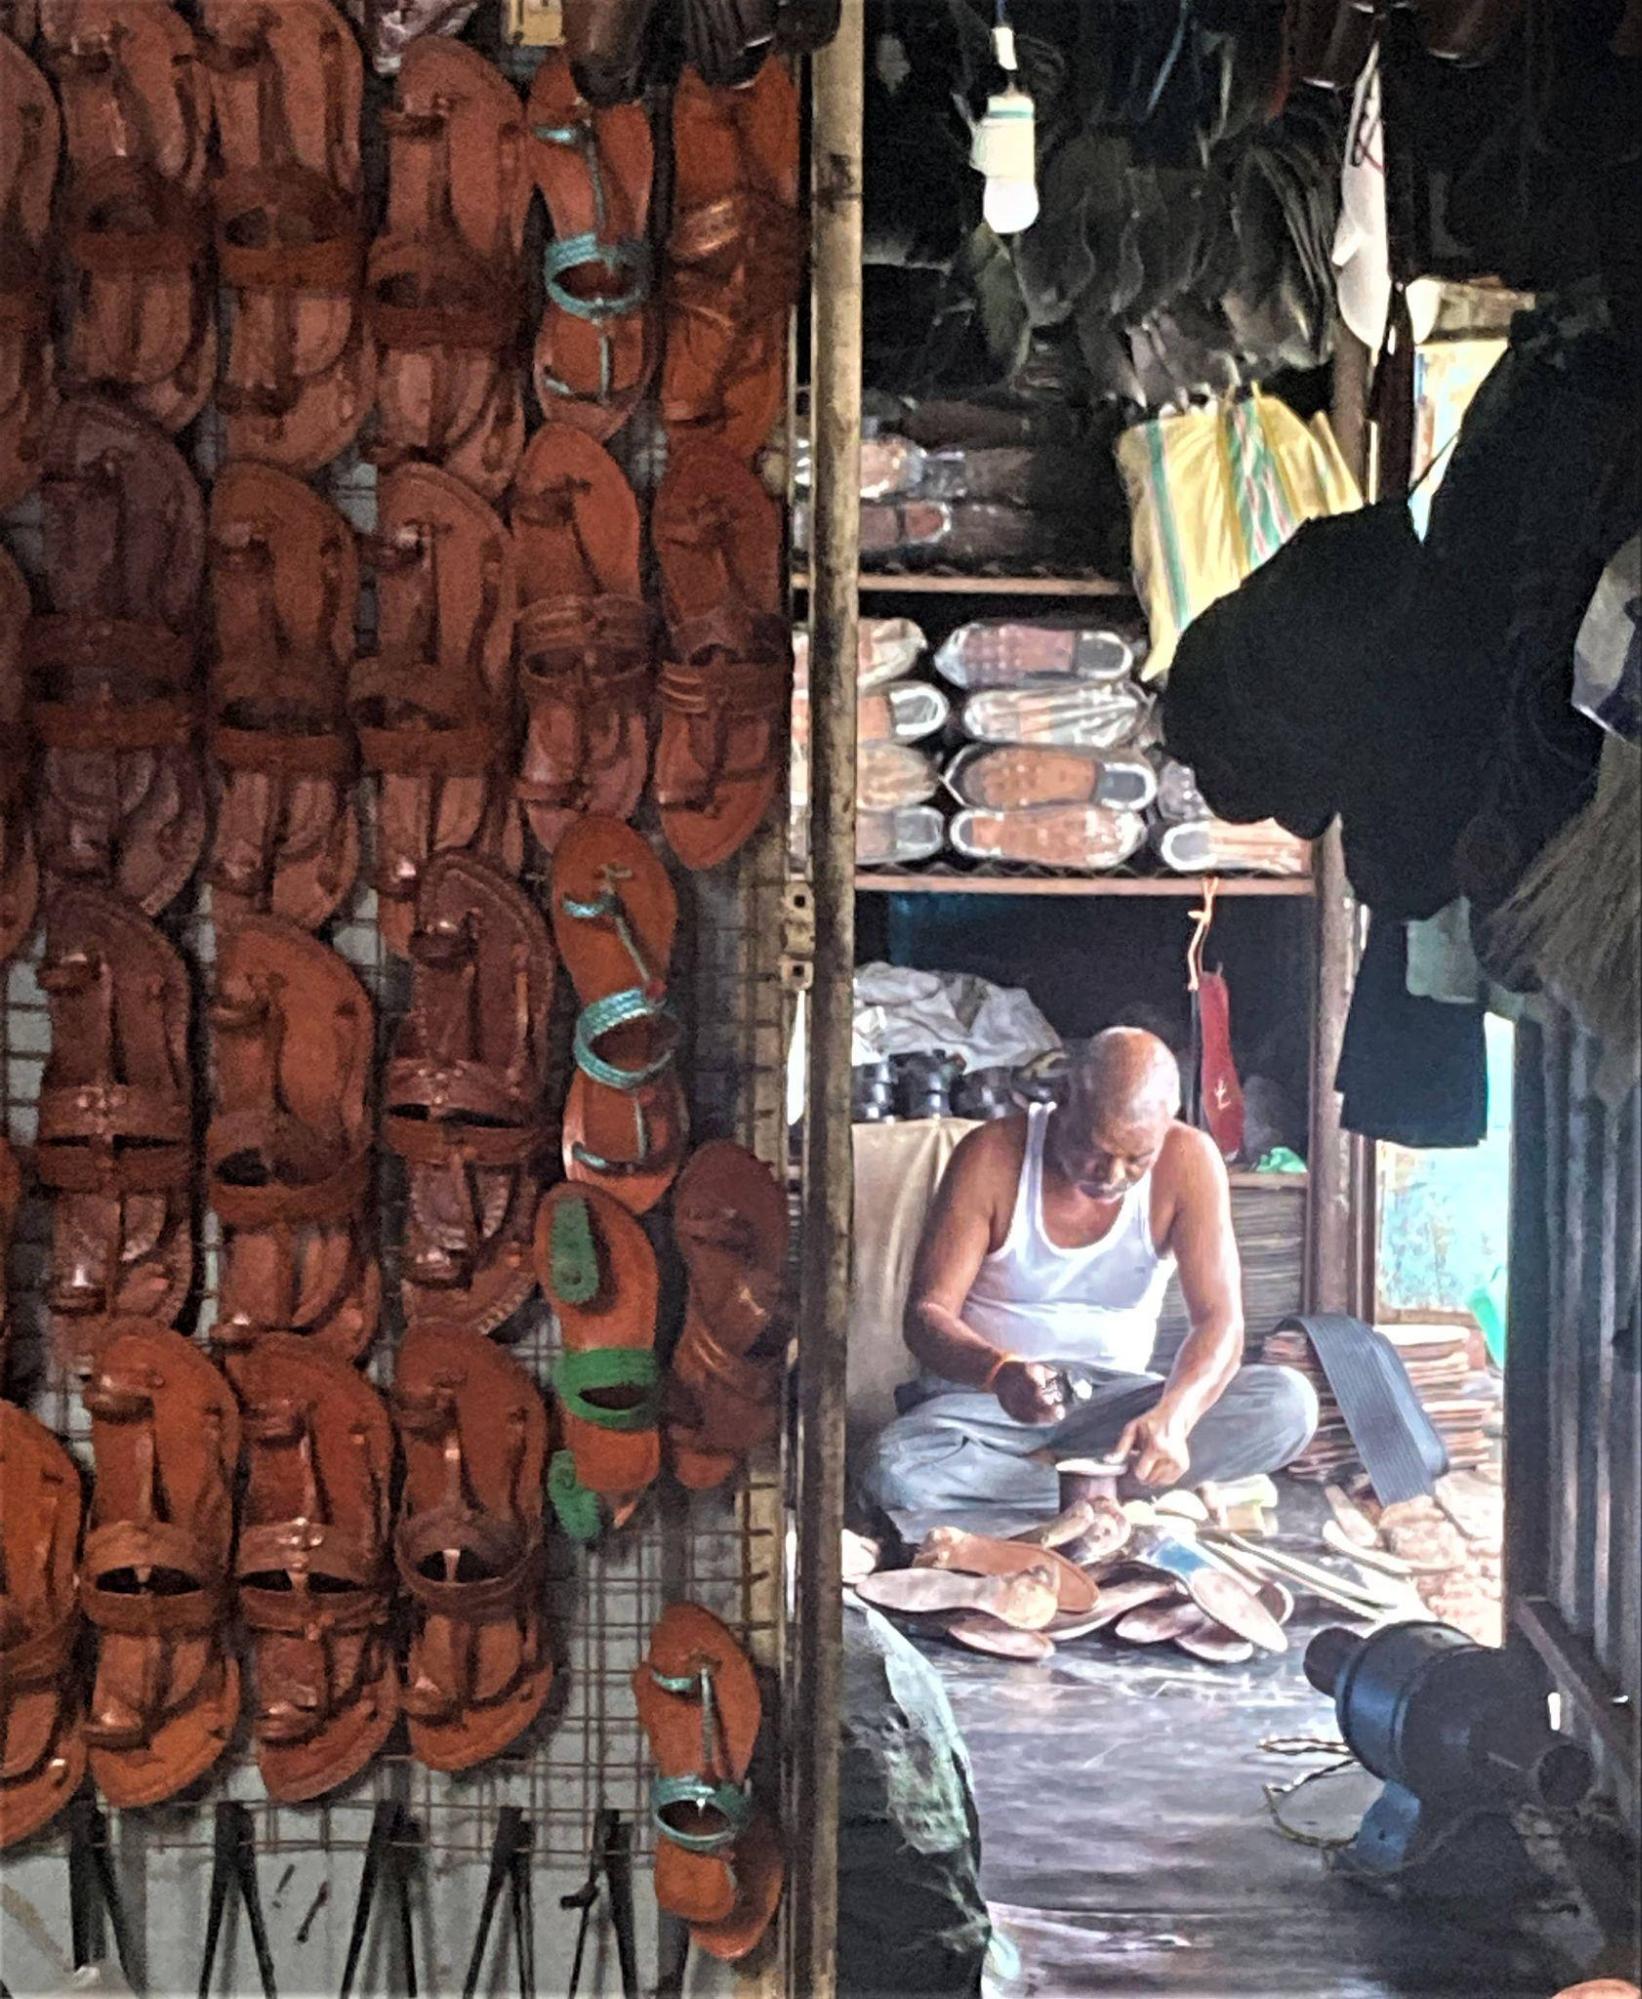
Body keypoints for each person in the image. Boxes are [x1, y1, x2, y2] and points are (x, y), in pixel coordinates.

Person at [857, 1026, 1318, 1535]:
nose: (1112, 1175)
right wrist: (1000, 1372)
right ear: (1062, 1100)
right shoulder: (990, 1155)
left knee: (1287, 1404)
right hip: (988, 1406)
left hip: (1116, 1408)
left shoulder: (1190, 1161)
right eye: (1095, 1151)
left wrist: (1176, 1418)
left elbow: (1220, 1321)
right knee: (894, 1469)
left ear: (1166, 1126)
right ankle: (1113, 1492)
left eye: (1137, 1159)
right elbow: (927, 1316)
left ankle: (1073, 1487)